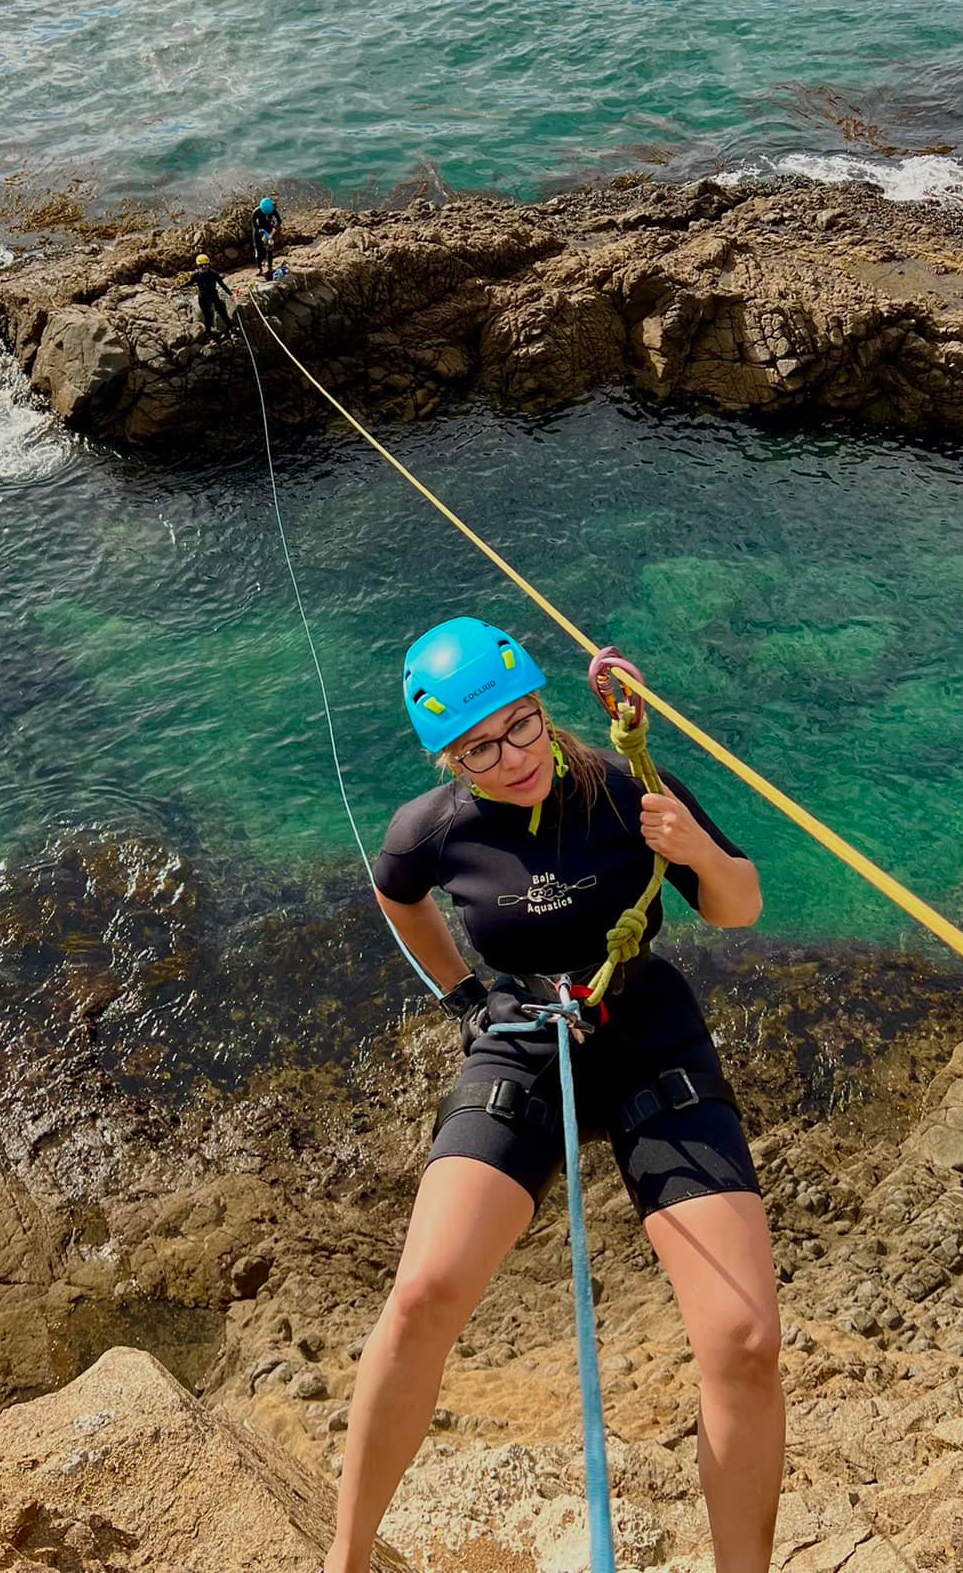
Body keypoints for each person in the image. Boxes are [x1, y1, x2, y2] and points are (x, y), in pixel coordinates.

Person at [325, 617, 782, 1573]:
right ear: (450, 756)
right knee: (420, 1297)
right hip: (527, 1039)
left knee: (743, 1339)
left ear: (542, 705)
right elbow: (396, 894)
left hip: (647, 1029)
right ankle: (347, 1558)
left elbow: (739, 906)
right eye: (479, 748)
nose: (513, 756)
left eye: (523, 725)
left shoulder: (625, 787)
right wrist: (461, 996)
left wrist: (696, 848)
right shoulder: (434, 830)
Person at [189, 253, 234, 338]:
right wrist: (178, 287)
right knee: (208, 316)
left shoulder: (213, 274)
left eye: (206, 265)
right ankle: (209, 336)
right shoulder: (196, 275)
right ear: (198, 266)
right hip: (203, 297)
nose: (204, 267)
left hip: (213, 295)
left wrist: (230, 294)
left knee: (222, 311)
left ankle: (231, 329)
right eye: (201, 265)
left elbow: (222, 284)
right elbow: (190, 283)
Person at [251, 194, 282, 278]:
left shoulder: (273, 210)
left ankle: (270, 267)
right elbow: (254, 224)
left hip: (269, 230)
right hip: (259, 231)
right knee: (258, 250)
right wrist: (260, 230)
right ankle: (259, 268)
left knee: (270, 250)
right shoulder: (256, 212)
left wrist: (273, 232)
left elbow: (279, 221)